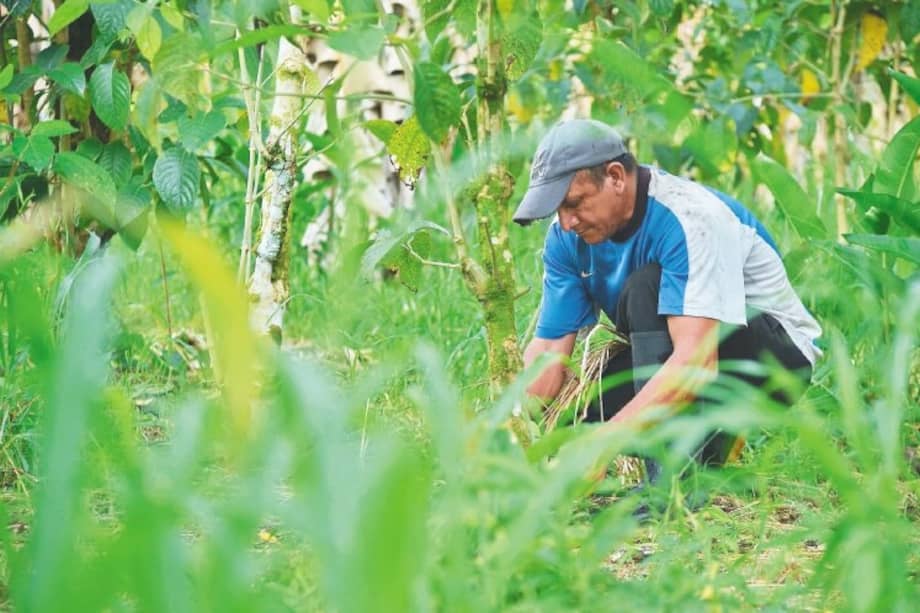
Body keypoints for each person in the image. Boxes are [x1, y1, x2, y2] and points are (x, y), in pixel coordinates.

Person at [514, 119, 822, 467]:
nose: (567, 222)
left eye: (575, 203)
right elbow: (551, 353)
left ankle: (669, 486)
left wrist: (604, 444)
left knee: (647, 286)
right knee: (580, 413)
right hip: (683, 354)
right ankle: (707, 460)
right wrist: (513, 429)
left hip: (772, 359)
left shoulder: (690, 217)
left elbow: (696, 362)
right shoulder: (565, 239)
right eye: (559, 210)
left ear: (615, 177)